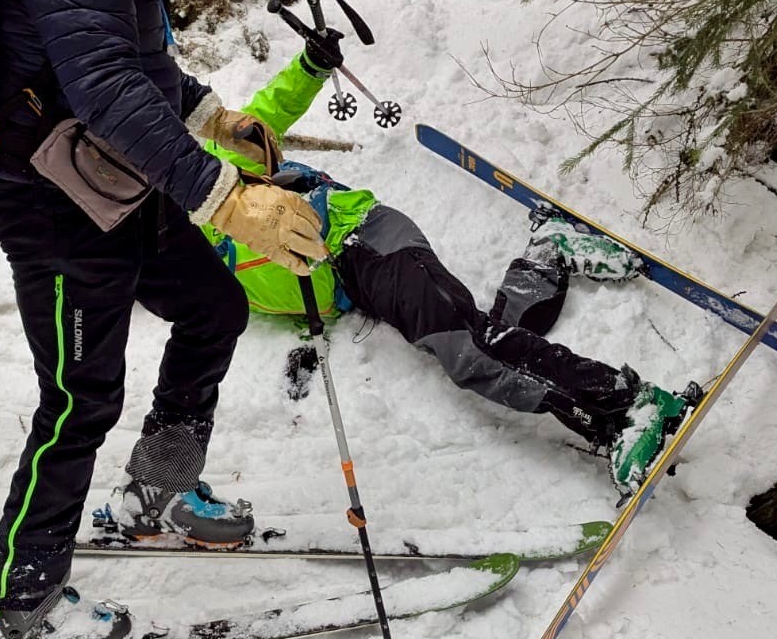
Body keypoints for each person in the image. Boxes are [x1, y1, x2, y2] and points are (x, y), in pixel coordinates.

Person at [0, 0, 327, 639]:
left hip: (103, 166)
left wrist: (216, 116)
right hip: (40, 187)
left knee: (215, 306)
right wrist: (225, 199)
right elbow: (98, 82)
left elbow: (130, 51)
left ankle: (158, 489)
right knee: (79, 395)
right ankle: (18, 605)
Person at [172, 33, 696, 531]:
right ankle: (548, 256)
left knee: (469, 351)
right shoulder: (203, 269)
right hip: (360, 287)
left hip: (364, 240)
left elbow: (269, 111)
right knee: (480, 334)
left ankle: (629, 406)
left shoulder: (218, 171)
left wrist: (311, 67)